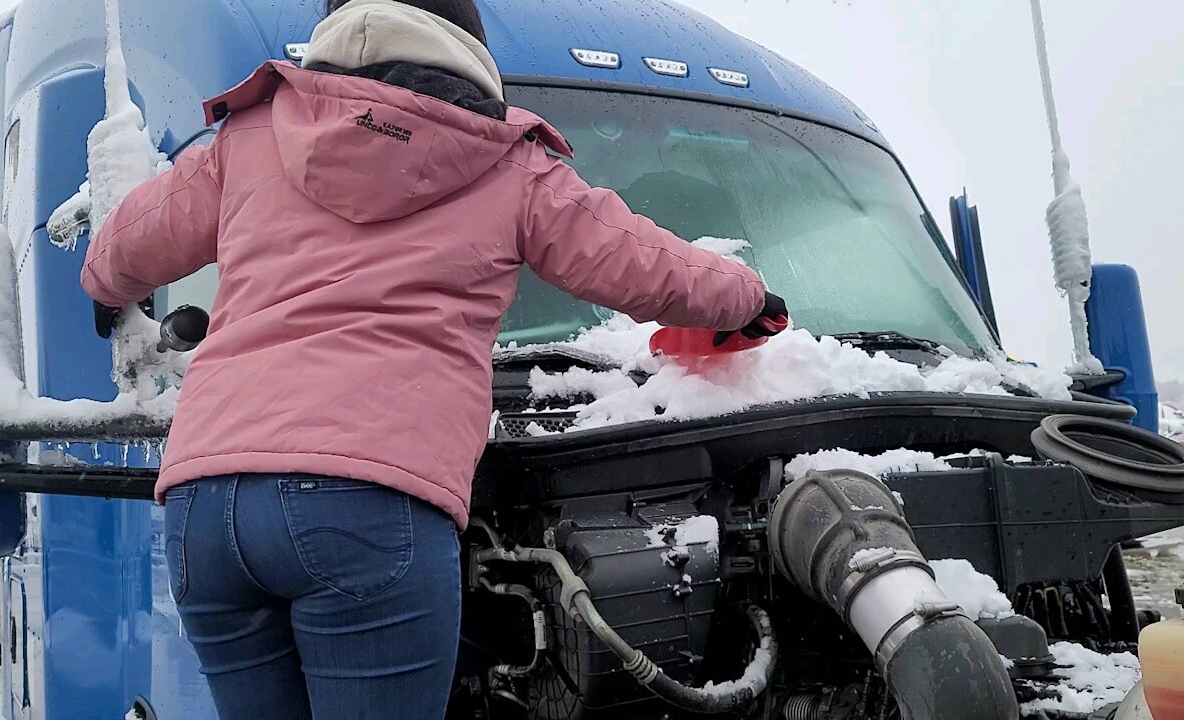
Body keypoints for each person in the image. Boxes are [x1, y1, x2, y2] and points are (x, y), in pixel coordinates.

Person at [80, 1, 788, 718]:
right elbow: (637, 260)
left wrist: (110, 291)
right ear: (468, 44)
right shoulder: (506, 160)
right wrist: (747, 297)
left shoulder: (253, 134)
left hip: (208, 507)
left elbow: (123, 245)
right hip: (365, 501)